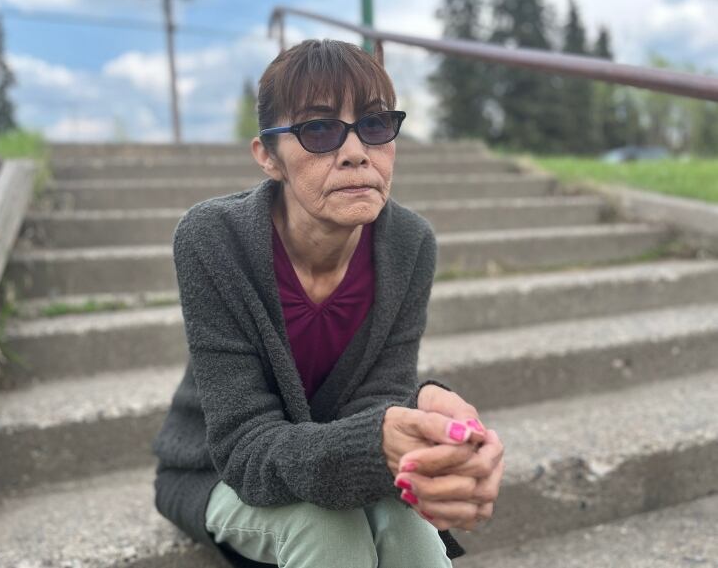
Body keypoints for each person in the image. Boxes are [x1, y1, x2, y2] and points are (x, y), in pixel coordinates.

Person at [152, 38, 505, 568]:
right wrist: (380, 441)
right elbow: (245, 447)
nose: (357, 151)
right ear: (268, 156)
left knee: (411, 533)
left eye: (376, 125)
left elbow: (375, 400)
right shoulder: (213, 238)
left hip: (331, 456)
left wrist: (435, 435)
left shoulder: (408, 244)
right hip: (216, 469)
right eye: (318, 129)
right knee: (327, 531)